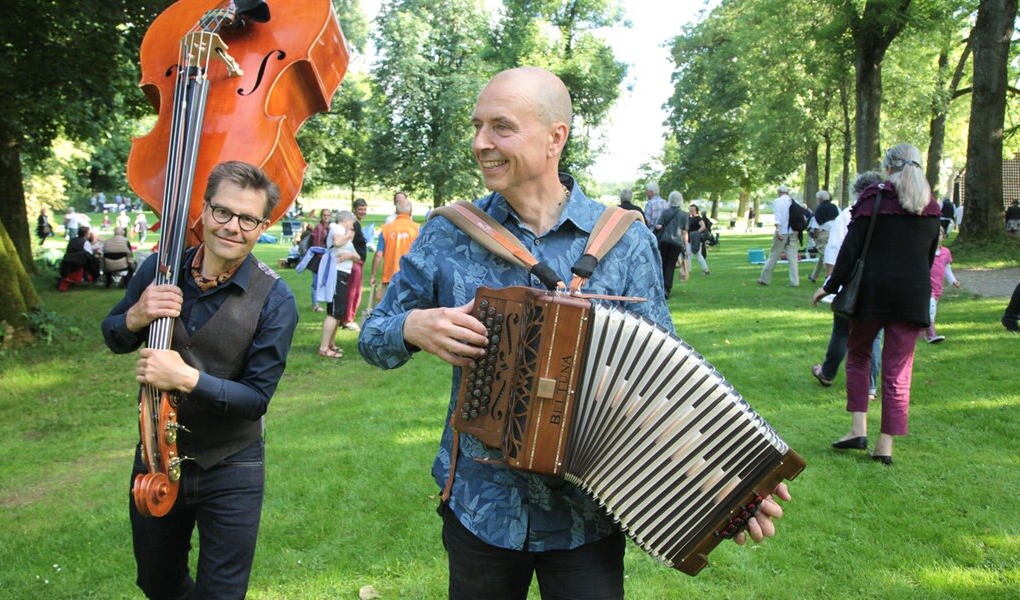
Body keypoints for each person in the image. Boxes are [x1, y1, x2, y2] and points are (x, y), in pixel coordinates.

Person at [359, 67, 788, 599]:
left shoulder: (625, 239)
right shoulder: (449, 231)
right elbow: (372, 338)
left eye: (501, 127)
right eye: (477, 126)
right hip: (481, 507)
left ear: (555, 137)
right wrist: (412, 325)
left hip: (589, 514)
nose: (480, 143)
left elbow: (664, 386)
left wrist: (733, 487)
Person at [101, 161, 298, 598]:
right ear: (204, 212)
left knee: (222, 592)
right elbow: (114, 336)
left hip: (232, 463)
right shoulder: (159, 269)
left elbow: (255, 399)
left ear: (263, 225)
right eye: (223, 212)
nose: (233, 227)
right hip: (154, 453)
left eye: (248, 219)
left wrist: (186, 378)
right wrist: (135, 315)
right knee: (157, 581)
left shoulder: (276, 299)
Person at [813, 143, 941, 466]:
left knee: (858, 354)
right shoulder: (930, 207)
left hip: (872, 293)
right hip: (912, 298)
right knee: (899, 371)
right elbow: (927, 258)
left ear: (889, 167)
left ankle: (858, 429)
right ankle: (885, 446)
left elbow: (851, 249)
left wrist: (829, 285)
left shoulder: (874, 198)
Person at [810, 172, 883, 399]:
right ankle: (870, 385)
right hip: (878, 284)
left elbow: (835, 252)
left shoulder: (848, 215)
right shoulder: (887, 215)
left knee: (842, 330)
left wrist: (831, 285)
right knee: (874, 335)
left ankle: (829, 372)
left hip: (851, 282)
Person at [318, 210, 358, 358]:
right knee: (334, 312)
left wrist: (351, 255)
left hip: (343, 274)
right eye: (352, 224)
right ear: (347, 221)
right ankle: (323, 347)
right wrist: (348, 235)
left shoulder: (342, 232)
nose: (352, 228)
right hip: (336, 273)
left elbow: (357, 256)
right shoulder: (337, 228)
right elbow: (336, 242)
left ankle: (331, 343)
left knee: (339, 311)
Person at [369, 196, 420, 305]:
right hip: (411, 276)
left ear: (396, 211)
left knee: (388, 309)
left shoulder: (386, 229)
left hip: (389, 275)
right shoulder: (418, 229)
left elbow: (378, 255)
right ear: (411, 212)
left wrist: (373, 275)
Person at [757, 185, 801, 287]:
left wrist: (778, 230)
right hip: (793, 231)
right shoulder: (794, 202)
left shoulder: (777, 202)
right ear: (788, 192)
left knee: (773, 255)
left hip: (782, 231)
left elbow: (778, 217)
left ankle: (764, 279)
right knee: (793, 258)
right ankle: (795, 281)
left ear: (779, 192)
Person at [926, 224, 961, 343]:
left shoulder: (946, 252)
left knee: (928, 310)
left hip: (937, 288)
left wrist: (953, 281)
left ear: (944, 237)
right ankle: (931, 335)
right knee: (931, 309)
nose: (937, 236)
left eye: (939, 234)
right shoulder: (926, 251)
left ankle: (920, 332)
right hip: (926, 287)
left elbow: (947, 269)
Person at [656, 191, 689, 299]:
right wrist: (685, 246)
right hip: (677, 243)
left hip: (664, 241)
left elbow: (659, 226)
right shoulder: (684, 214)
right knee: (671, 265)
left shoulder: (665, 212)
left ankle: (660, 288)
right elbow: (684, 232)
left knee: (663, 264)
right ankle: (667, 288)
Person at [341, 198, 368, 331]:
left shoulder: (357, 224)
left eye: (364, 209)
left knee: (356, 292)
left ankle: (346, 318)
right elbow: (348, 242)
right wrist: (353, 256)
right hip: (354, 263)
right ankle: (347, 319)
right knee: (353, 292)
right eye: (360, 209)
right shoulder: (354, 225)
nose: (362, 211)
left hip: (358, 262)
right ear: (354, 210)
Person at [807, 190, 839, 283]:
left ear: (819, 199)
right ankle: (813, 276)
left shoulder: (819, 209)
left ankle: (830, 276)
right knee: (822, 256)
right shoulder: (835, 208)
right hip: (834, 233)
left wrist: (814, 236)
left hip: (823, 234)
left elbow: (816, 226)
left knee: (826, 256)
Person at [687, 203, 710, 275]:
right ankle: (688, 269)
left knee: (697, 254)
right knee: (688, 254)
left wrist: (696, 233)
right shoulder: (688, 218)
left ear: (696, 210)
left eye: (693, 209)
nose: (691, 210)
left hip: (696, 239)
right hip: (688, 239)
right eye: (690, 209)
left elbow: (703, 226)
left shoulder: (698, 218)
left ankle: (705, 269)